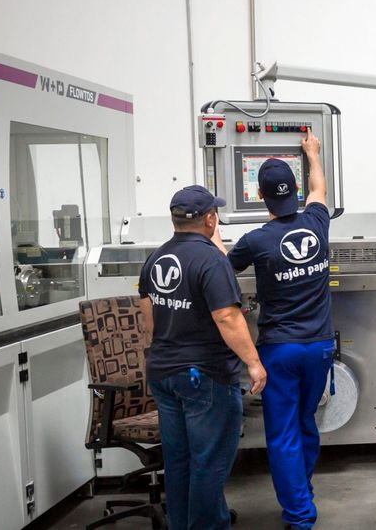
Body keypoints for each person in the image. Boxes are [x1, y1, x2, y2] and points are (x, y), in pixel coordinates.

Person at [139, 185, 266, 530]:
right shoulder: (211, 260)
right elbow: (227, 317)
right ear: (210, 219)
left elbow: (148, 316)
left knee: (178, 462)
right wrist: (254, 363)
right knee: (209, 462)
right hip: (204, 376)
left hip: (163, 372)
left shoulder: (156, 258)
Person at [225, 130, 333, 530]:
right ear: (296, 192)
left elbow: (221, 268)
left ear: (260, 195)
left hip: (280, 351)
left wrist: (211, 231)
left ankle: (300, 515)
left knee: (284, 433)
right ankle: (302, 491)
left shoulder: (255, 241)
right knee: (306, 422)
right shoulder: (317, 223)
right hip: (320, 347)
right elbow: (320, 190)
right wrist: (313, 154)